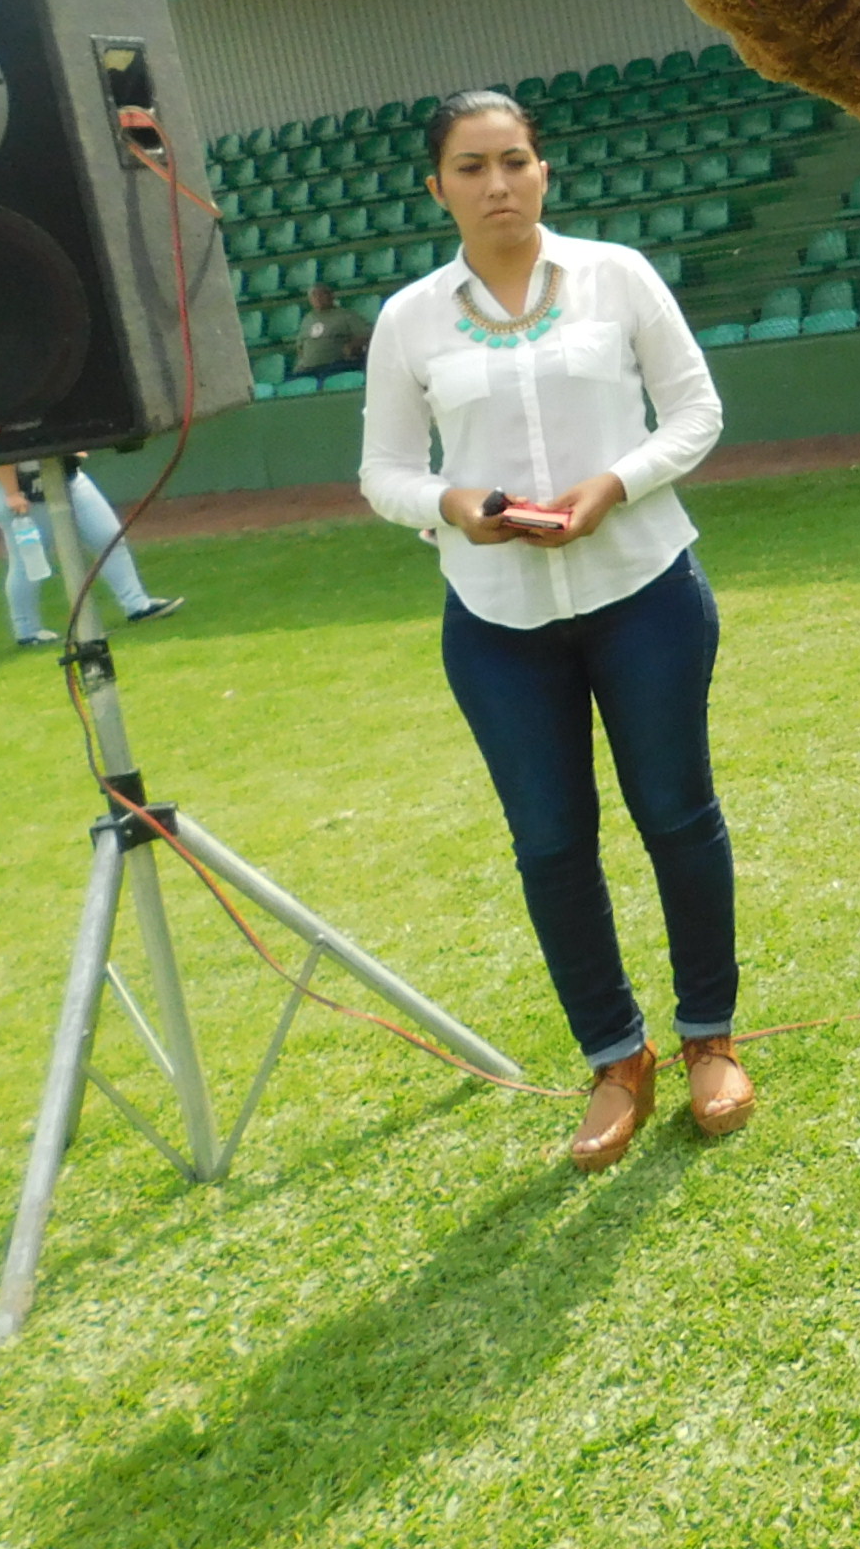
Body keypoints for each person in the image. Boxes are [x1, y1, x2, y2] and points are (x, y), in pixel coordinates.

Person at [358, 86, 743, 1169]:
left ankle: (709, 1038)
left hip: (645, 592)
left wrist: (614, 483)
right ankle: (617, 1059)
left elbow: (699, 414)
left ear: (544, 172)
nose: (498, 184)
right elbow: (384, 471)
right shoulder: (409, 319)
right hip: (498, 622)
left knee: (677, 814)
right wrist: (453, 508)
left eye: (515, 161)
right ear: (437, 188)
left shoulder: (616, 276)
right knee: (552, 846)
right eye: (472, 168)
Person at [0, 458, 183, 650]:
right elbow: (2, 453)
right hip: (23, 491)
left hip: (69, 480)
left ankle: (138, 605)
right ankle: (27, 631)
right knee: (27, 562)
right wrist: (12, 493)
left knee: (109, 538)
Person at [288, 281, 373, 382]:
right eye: (314, 295)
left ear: (331, 296)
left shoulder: (346, 315)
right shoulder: (308, 319)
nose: (318, 298)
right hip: (308, 369)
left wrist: (352, 345)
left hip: (335, 366)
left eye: (321, 294)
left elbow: (367, 334)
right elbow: (300, 346)